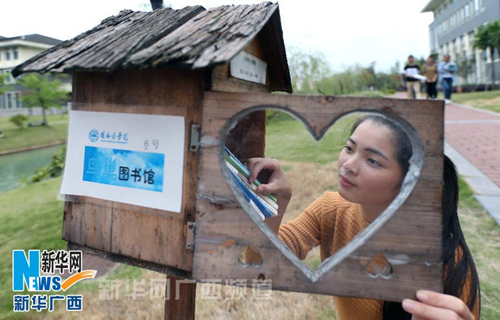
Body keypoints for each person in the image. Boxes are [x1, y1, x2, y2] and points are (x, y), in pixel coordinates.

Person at [247, 114, 480, 320]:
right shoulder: (332, 209)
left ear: (409, 181)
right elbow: (258, 264)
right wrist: (274, 205)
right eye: (349, 148)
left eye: (372, 161)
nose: (348, 165)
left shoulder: (448, 264)